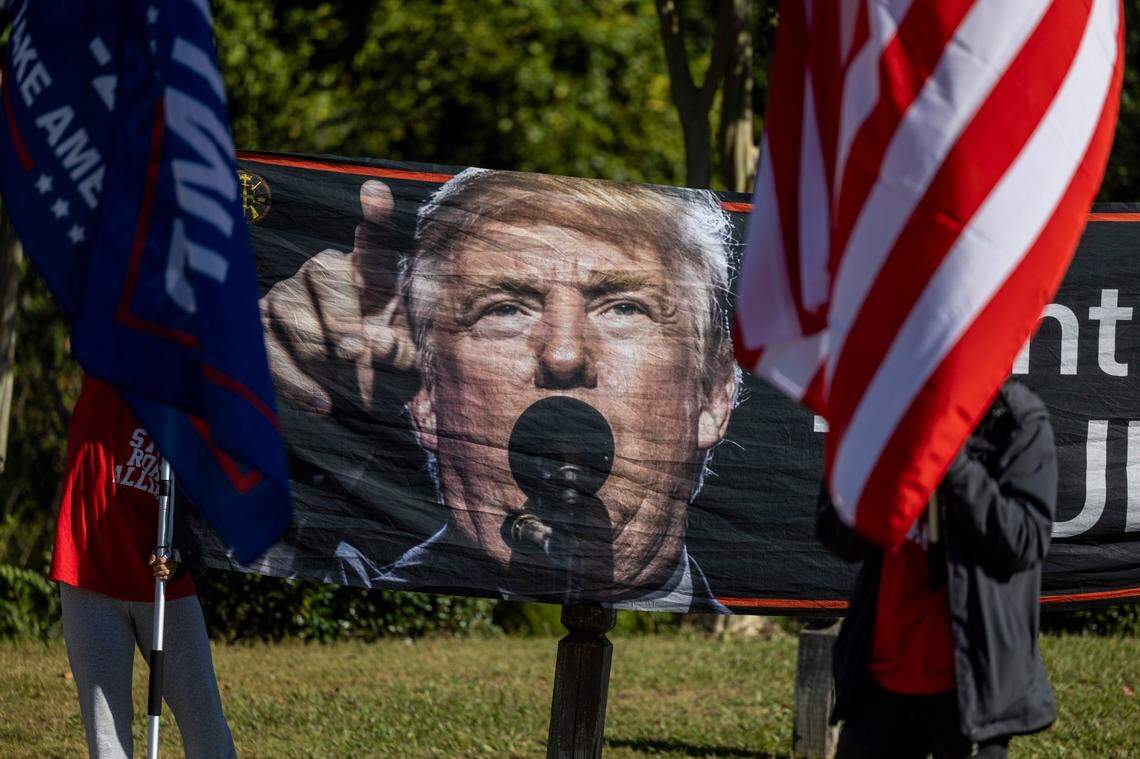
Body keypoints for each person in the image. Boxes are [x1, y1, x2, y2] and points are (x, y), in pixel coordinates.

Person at [259, 169, 741, 611]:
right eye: (505, 309)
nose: (564, 354)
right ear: (425, 396)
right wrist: (267, 424)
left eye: (624, 308)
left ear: (714, 395)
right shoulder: (352, 607)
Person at [816, 380, 1058, 758]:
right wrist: (883, 468)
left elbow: (1024, 541)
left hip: (970, 688)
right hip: (881, 681)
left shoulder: (1013, 419)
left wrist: (952, 462)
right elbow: (836, 535)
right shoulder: (876, 412)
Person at [50, 376, 236, 759]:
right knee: (108, 741)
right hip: (89, 578)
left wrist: (183, 550)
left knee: (206, 728)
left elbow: (212, 503)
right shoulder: (108, 374)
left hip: (164, 589)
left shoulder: (197, 410)